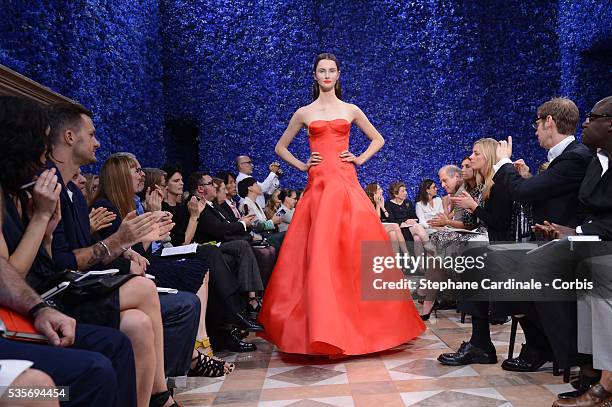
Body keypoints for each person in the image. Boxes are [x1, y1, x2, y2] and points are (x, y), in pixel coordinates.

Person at [258, 52, 425, 356]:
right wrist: (303, 164)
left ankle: (366, 327)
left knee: (353, 249)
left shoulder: (350, 109)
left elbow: (378, 139)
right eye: (321, 70)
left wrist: (359, 158)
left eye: (331, 70)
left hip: (346, 183)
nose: (326, 75)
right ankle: (323, 328)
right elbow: (280, 147)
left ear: (338, 75)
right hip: (319, 186)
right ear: (314, 75)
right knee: (321, 255)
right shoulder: (304, 112)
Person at [46, 102, 197, 406]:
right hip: (57, 296)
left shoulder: (74, 194)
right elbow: (62, 263)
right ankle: (160, 395)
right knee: (145, 287)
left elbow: (85, 254)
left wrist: (123, 245)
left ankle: (154, 396)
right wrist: (119, 242)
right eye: (92, 134)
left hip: (79, 285)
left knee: (139, 324)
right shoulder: (51, 189)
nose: (98, 142)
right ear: (70, 137)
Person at [533, 96, 612, 407]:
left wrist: (578, 234)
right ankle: (587, 364)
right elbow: (588, 213)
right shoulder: (596, 160)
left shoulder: (581, 157)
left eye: (592, 117)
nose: (586, 123)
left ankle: (605, 382)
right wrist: (567, 233)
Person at [437, 138, 513, 367]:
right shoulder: (484, 184)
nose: (470, 158)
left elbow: (499, 223)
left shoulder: (499, 183)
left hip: (505, 249)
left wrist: (474, 207)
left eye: (475, 153)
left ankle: (481, 343)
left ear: (488, 157)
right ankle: (480, 343)